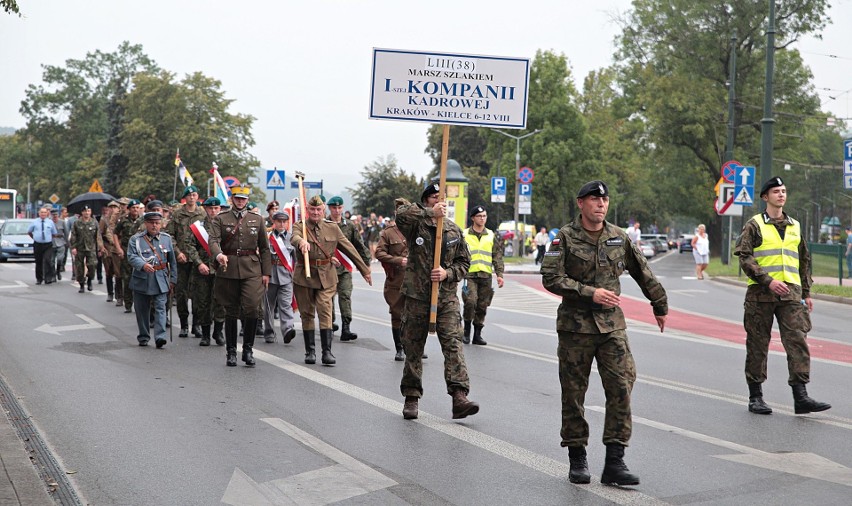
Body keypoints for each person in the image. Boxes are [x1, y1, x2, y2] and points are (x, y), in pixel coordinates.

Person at [541, 180, 668, 486]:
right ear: (580, 203)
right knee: (573, 394)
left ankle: (615, 460)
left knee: (622, 385)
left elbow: (643, 270)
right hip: (576, 328)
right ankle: (577, 457)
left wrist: (659, 303)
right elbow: (551, 278)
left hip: (612, 326)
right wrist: (589, 292)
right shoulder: (565, 238)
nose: (601, 204)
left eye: (605, 200)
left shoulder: (618, 237)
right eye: (594, 199)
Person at [734, 176, 831, 416]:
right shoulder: (754, 225)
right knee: (758, 344)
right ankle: (756, 397)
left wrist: (806, 292)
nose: (781, 195)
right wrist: (768, 280)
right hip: (760, 294)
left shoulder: (795, 226)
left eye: (784, 191)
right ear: (765, 197)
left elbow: (804, 260)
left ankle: (801, 396)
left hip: (791, 294)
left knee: (797, 341)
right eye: (776, 191)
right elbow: (744, 257)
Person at [395, 182, 479, 421]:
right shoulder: (415, 225)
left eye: (440, 198)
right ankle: (411, 397)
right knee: (413, 348)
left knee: (453, 345)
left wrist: (447, 273)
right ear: (426, 200)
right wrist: (429, 213)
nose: (437, 201)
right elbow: (401, 214)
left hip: (446, 299)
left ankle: (459, 397)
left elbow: (464, 262)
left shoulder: (453, 230)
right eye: (432, 197)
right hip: (417, 297)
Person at [291, 195, 372, 365]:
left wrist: (365, 270)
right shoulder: (300, 226)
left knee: (325, 309)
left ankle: (327, 352)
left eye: (318, 210)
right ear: (307, 210)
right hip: (304, 277)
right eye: (312, 209)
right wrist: (301, 242)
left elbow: (349, 248)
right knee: (306, 314)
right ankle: (310, 351)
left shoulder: (333, 228)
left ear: (323, 211)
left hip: (326, 276)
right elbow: (294, 237)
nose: (315, 212)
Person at [209, 184, 272, 367]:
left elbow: (265, 248)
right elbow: (213, 240)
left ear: (247, 200)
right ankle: (230, 351)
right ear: (232, 199)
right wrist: (218, 254)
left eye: (243, 199)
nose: (240, 201)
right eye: (237, 198)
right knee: (231, 310)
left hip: (252, 269)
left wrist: (266, 272)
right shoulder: (221, 219)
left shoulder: (257, 219)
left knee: (252, 308)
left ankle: (248, 349)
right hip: (228, 268)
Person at [127, 211, 178, 348]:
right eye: (151, 223)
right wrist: (143, 265)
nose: (154, 225)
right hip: (142, 279)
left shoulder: (166, 239)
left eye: (157, 223)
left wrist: (173, 279)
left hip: (161, 278)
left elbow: (172, 261)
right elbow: (131, 256)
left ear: (161, 224)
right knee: (142, 309)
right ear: (146, 224)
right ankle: (143, 336)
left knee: (161, 308)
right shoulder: (136, 240)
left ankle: (160, 337)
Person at [326, 195, 371, 341]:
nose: (337, 211)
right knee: (328, 299)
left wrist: (366, 264)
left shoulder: (350, 226)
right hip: (327, 269)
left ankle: (346, 327)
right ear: (329, 208)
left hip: (344, 269)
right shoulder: (323, 224)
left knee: (345, 296)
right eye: (334, 208)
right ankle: (329, 324)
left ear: (343, 208)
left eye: (339, 208)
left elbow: (358, 245)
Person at [185, 197, 226, 346]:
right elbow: (189, 246)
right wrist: (199, 263)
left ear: (220, 209)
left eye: (216, 208)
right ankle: (206, 334)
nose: (213, 211)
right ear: (205, 209)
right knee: (202, 302)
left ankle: (218, 331)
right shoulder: (198, 226)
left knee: (220, 301)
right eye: (210, 208)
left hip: (221, 270)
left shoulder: (225, 225)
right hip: (202, 270)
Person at [167, 185, 206, 338]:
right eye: (189, 195)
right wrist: (177, 252)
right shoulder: (177, 214)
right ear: (185, 198)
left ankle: (196, 324)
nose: (192, 197)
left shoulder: (202, 214)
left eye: (194, 195)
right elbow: (170, 235)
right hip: (181, 259)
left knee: (197, 292)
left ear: (197, 197)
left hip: (197, 259)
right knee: (181, 292)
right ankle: (184, 324)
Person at [462, 205, 504, 346]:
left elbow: (497, 256)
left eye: (484, 216)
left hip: (486, 275)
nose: (482, 218)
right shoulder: (465, 234)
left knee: (482, 305)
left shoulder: (491, 235)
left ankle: (477, 335)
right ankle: (466, 332)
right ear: (473, 218)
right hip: (470, 275)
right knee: (470, 301)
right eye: (479, 216)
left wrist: (499, 274)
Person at [375, 213, 408, 361]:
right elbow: (379, 253)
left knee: (416, 314)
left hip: (416, 279)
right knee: (397, 314)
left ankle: (414, 347)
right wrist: (398, 260)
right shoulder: (388, 233)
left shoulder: (417, 229)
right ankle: (399, 348)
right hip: (396, 279)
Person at [264, 211, 296, 345]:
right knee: (268, 306)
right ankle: (269, 332)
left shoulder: (292, 238)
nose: (282, 224)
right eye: (279, 222)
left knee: (285, 305)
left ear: (287, 223)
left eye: (284, 222)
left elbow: (296, 259)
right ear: (274, 222)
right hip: (270, 275)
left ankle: (288, 329)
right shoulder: (267, 237)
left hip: (286, 276)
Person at [114, 200, 143, 312]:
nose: (135, 210)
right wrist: (118, 248)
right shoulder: (123, 220)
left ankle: (139, 303)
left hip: (140, 250)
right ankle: (128, 303)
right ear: (129, 209)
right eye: (133, 208)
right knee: (127, 278)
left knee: (140, 277)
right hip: (127, 250)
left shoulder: (143, 220)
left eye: (137, 207)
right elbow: (115, 233)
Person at [69, 205, 103, 293]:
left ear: (90, 212)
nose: (86, 213)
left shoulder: (94, 222)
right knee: (79, 268)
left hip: (91, 248)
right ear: (82, 212)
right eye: (85, 211)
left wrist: (100, 248)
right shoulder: (77, 223)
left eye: (88, 211)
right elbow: (73, 235)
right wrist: (73, 247)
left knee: (92, 265)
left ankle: (89, 280)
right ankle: (81, 284)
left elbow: (98, 236)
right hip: (80, 247)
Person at [28, 206, 58, 285]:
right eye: (42, 212)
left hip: (48, 244)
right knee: (39, 261)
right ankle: (39, 278)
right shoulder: (35, 222)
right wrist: (35, 237)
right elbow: (29, 232)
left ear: (47, 213)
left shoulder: (50, 222)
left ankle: (48, 278)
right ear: (39, 213)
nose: (43, 214)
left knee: (48, 260)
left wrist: (48, 238)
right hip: (37, 244)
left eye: (45, 212)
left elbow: (54, 233)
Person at [98, 201, 121, 301]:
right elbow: (99, 234)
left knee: (118, 272)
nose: (113, 209)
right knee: (108, 271)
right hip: (108, 247)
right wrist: (101, 246)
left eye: (115, 207)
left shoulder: (120, 219)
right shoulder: (104, 220)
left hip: (118, 248)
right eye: (111, 207)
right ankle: (110, 293)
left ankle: (119, 294)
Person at [51, 209, 69, 280]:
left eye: (56, 215)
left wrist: (68, 243)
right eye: (53, 215)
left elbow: (66, 233)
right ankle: (53, 275)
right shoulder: (49, 222)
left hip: (61, 242)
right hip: (51, 243)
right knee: (51, 261)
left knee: (60, 259)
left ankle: (58, 271)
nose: (55, 217)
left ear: (58, 215)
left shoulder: (62, 222)